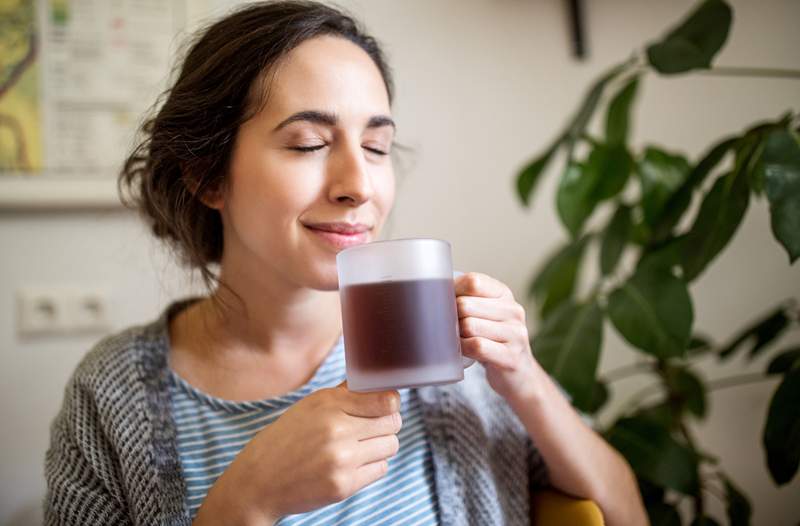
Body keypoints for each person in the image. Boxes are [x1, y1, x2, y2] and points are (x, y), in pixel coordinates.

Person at [44, 2, 647, 525]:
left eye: (377, 147)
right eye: (309, 144)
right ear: (206, 175)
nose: (359, 185)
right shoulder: (112, 394)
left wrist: (523, 380)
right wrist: (247, 501)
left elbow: (626, 514)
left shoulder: (437, 350)